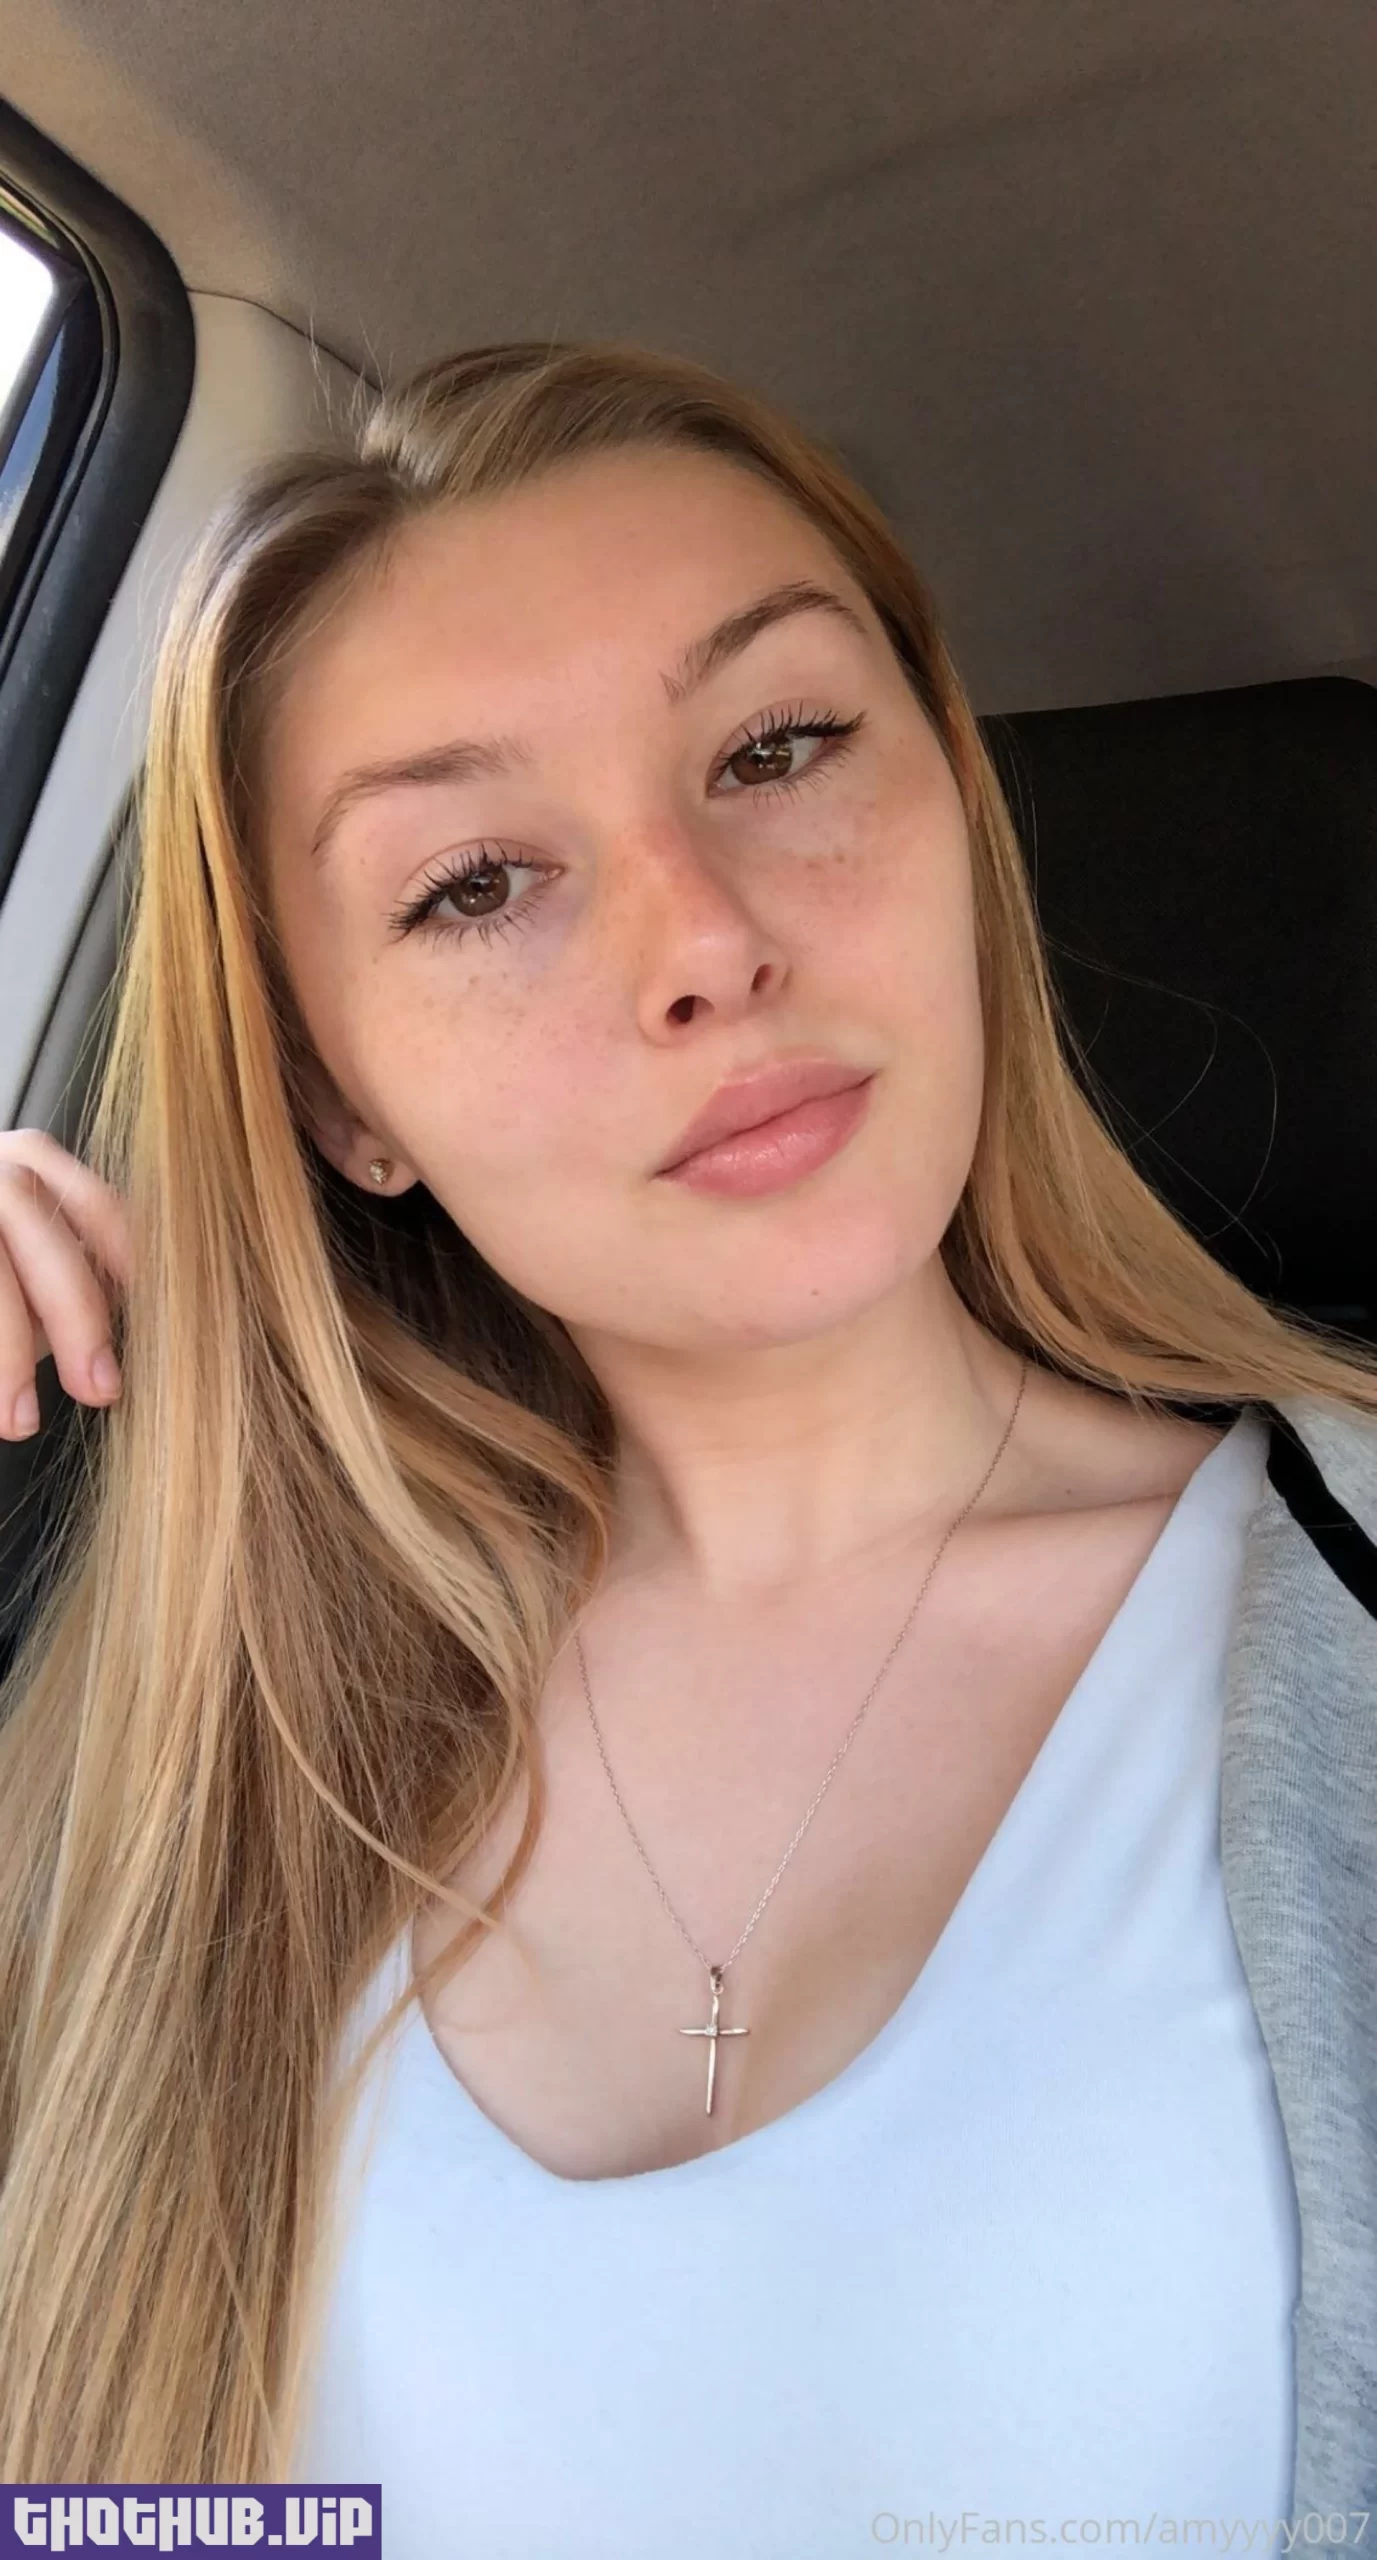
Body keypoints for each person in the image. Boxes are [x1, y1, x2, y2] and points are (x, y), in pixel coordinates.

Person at [0, 339, 1373, 2543]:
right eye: (474, 882)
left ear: (957, 806)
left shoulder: (1339, 1618)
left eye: (776, 746)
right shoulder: (200, 1732)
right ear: (338, 1096)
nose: (707, 944)